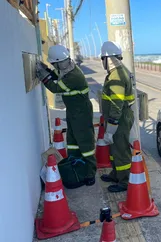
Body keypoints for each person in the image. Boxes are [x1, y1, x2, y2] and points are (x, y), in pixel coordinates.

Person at [36, 45, 97, 188]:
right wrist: (48, 71)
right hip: (73, 112)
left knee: (85, 143)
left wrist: (43, 76)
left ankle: (90, 173)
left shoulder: (74, 76)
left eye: (54, 64)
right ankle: (75, 165)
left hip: (81, 113)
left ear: (59, 62)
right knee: (72, 140)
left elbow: (56, 87)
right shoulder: (68, 69)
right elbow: (58, 77)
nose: (55, 66)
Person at [99, 41, 135, 192]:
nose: (102, 62)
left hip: (119, 119)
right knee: (114, 149)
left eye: (102, 59)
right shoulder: (116, 73)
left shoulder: (117, 76)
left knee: (121, 149)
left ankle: (125, 181)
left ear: (108, 59)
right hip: (117, 118)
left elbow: (116, 104)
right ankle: (116, 174)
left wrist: (112, 125)